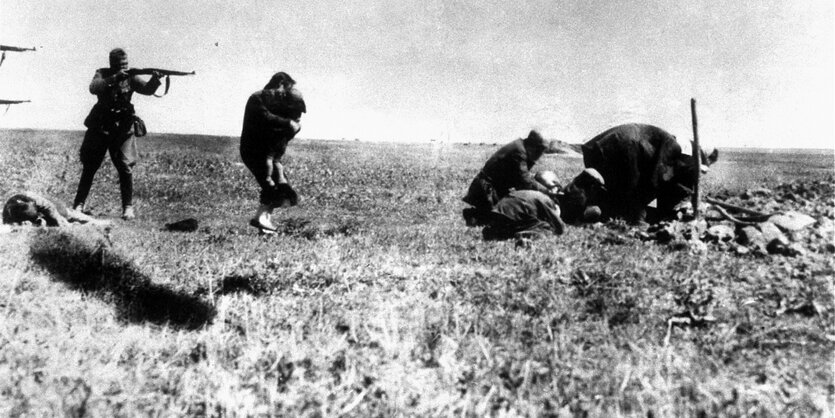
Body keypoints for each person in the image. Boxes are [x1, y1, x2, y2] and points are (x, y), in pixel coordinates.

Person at [72, 48, 164, 220]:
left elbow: (147, 89)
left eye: (126, 64)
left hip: (122, 126)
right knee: (90, 166)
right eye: (120, 65)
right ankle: (79, 205)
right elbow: (93, 88)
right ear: (112, 64)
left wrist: (155, 79)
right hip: (100, 124)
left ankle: (127, 208)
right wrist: (114, 78)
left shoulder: (131, 76)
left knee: (125, 166)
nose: (124, 67)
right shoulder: (102, 74)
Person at [240, 71, 306, 233]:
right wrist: (288, 123)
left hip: (270, 154)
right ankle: (261, 219)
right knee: (270, 185)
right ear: (281, 84)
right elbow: (265, 118)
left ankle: (264, 221)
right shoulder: (257, 98)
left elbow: (284, 130)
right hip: (255, 151)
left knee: (282, 188)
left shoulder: (275, 103)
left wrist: (291, 125)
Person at [462, 130, 556, 226]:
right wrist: (547, 191)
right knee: (503, 221)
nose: (540, 154)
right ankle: (474, 215)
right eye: (540, 149)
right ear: (533, 145)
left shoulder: (521, 148)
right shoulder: (519, 152)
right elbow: (525, 182)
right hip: (487, 190)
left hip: (494, 189)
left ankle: (479, 214)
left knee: (511, 214)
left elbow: (521, 178)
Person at [481, 189, 566, 241]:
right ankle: (524, 234)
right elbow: (560, 227)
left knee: (529, 221)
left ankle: (494, 230)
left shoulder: (534, 194)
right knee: (545, 227)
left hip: (497, 211)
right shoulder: (547, 201)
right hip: (513, 215)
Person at [3, 192, 110, 226]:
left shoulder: (38, 201)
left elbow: (52, 210)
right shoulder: (9, 211)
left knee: (67, 215)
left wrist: (63, 223)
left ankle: (95, 221)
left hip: (51, 206)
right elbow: (6, 225)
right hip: (26, 214)